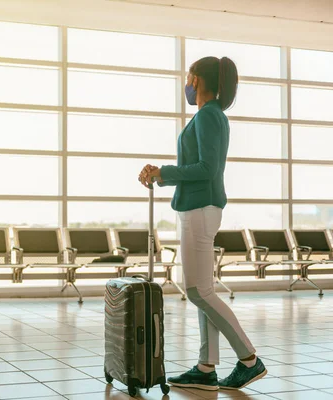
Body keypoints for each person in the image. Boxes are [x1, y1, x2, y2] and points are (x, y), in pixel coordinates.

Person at [138, 56, 267, 391]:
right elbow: (199, 167)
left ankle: (249, 359)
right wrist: (162, 174)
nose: (186, 81)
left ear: (196, 80)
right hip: (198, 207)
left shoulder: (209, 117)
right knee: (201, 291)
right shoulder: (209, 116)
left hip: (200, 209)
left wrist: (163, 172)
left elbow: (207, 169)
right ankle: (205, 367)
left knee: (197, 291)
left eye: (188, 76)